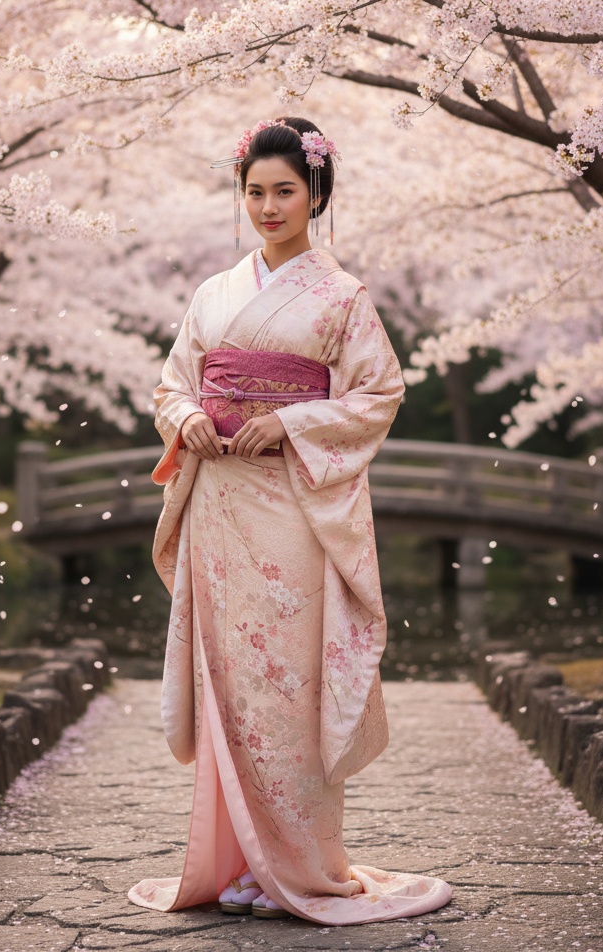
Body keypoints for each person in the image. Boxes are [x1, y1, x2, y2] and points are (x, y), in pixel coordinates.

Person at [128, 117, 452, 925]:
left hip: (293, 512)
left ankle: (300, 865)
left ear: (315, 195)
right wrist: (189, 418)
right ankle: (231, 864)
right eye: (254, 192)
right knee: (228, 685)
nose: (267, 207)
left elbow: (379, 394)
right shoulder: (213, 293)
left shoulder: (343, 298)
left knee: (290, 688)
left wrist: (297, 422)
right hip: (218, 505)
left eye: (283, 192)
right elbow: (171, 384)